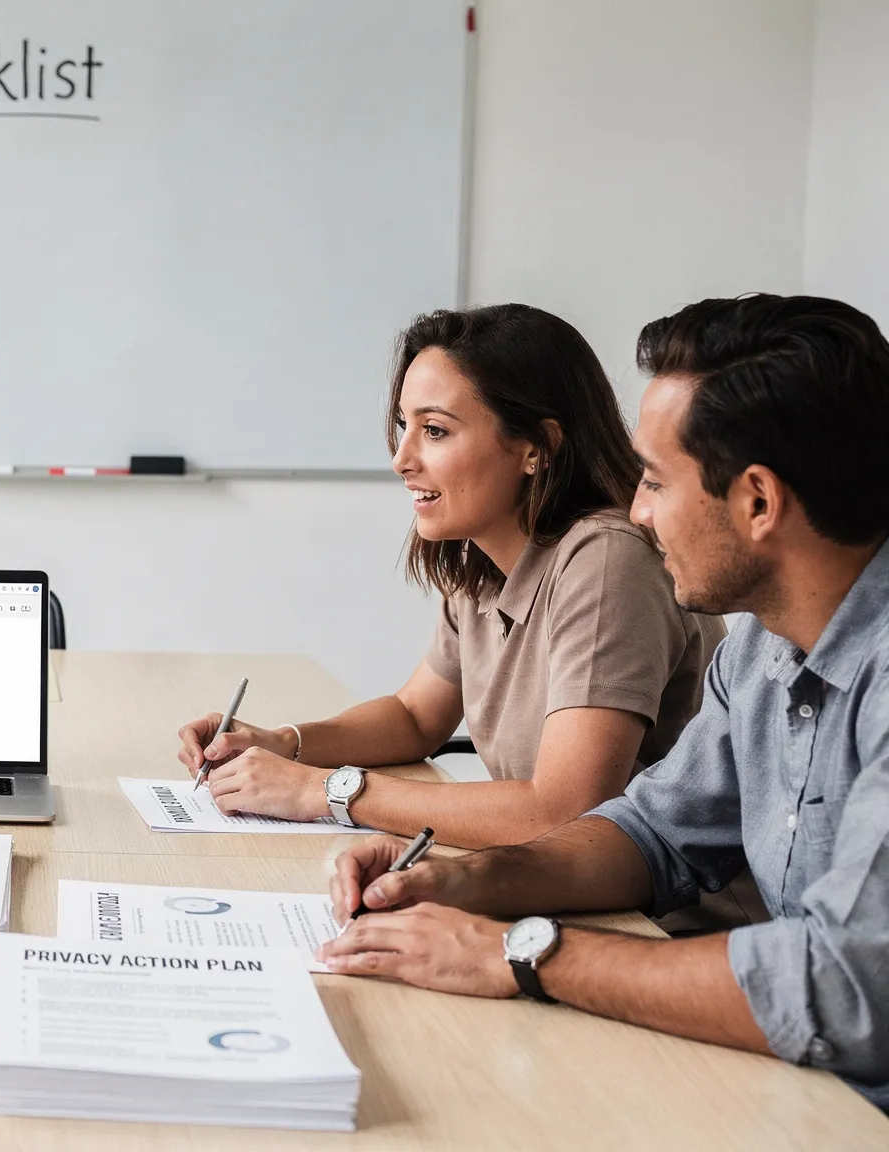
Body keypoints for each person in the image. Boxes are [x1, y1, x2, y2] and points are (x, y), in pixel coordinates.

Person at [318, 294, 889, 1108]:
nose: (638, 509)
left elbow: (844, 987)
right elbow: (652, 833)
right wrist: (463, 883)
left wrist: (523, 952)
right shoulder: (765, 645)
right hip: (789, 1077)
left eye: (655, 480)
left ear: (758, 502)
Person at [178, 304, 724, 849]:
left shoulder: (607, 561)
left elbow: (563, 811)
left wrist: (325, 791)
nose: (401, 459)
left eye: (434, 430)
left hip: (661, 921)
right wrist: (283, 742)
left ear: (537, 449)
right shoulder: (486, 561)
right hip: (563, 887)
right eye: (404, 426)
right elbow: (416, 716)